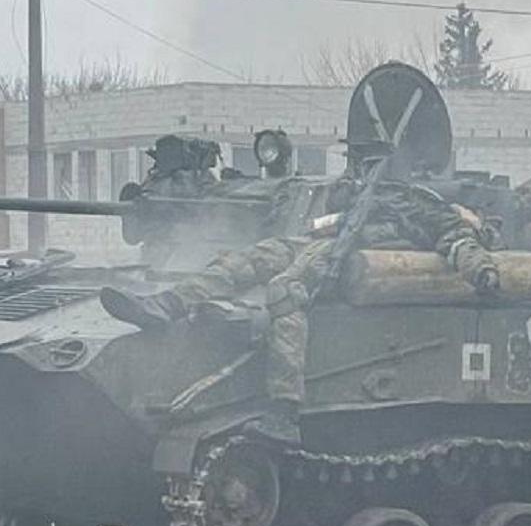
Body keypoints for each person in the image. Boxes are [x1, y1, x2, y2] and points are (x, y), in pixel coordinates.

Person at [100, 177, 500, 444]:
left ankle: (285, 407)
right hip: (326, 240)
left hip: (358, 256)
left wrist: (482, 271)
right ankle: (167, 305)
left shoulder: (444, 221)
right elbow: (332, 218)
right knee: (244, 261)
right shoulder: (394, 197)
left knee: (285, 290)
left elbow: (464, 249)